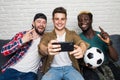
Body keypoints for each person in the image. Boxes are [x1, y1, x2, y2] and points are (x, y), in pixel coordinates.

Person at [38, 7, 89, 80]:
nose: (59, 22)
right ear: (53, 20)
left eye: (62, 19)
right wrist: (46, 50)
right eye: (57, 19)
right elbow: (41, 46)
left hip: (70, 68)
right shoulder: (47, 35)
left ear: (66, 20)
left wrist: (82, 49)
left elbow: (81, 42)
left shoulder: (72, 33)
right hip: (53, 69)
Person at [0, 13, 47, 80]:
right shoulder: (22, 35)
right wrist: (22, 41)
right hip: (13, 70)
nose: (41, 25)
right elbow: (3, 51)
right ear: (33, 23)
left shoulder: (46, 39)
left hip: (30, 74)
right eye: (39, 22)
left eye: (44, 22)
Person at [77, 11, 119, 80]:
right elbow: (77, 60)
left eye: (86, 19)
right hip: (89, 68)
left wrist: (108, 43)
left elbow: (115, 58)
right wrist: (85, 64)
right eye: (80, 20)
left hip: (106, 64)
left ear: (91, 20)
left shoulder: (101, 36)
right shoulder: (78, 39)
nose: (82, 22)